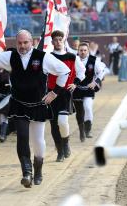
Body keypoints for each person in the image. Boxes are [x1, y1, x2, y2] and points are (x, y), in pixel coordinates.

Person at [0, 28, 70, 188]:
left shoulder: (43, 57)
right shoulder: (10, 56)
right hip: (19, 104)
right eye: (19, 43)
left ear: (32, 42)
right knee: (22, 136)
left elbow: (65, 71)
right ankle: (26, 172)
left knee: (37, 141)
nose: (22, 46)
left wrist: (54, 92)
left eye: (25, 42)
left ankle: (38, 169)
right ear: (16, 43)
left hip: (38, 105)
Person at [49, 31, 85, 162]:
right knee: (53, 125)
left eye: (60, 39)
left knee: (62, 122)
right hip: (51, 94)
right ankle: (59, 151)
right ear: (52, 42)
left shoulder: (72, 56)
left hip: (65, 94)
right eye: (55, 40)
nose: (58, 42)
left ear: (63, 41)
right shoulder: (48, 57)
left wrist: (75, 83)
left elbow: (81, 72)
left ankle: (65, 143)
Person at [73, 42, 108, 142]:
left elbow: (102, 71)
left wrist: (96, 81)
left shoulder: (94, 60)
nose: (83, 52)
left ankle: (88, 130)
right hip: (77, 89)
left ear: (88, 51)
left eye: (85, 50)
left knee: (87, 107)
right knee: (79, 111)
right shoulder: (73, 59)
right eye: (81, 50)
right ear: (78, 51)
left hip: (89, 89)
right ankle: (81, 130)